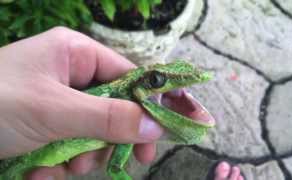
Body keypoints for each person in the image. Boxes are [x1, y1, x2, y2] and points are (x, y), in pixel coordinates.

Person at [0, 27, 244, 180]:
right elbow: (114, 170)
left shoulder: (126, 124)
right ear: (136, 89)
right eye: (157, 80)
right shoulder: (125, 125)